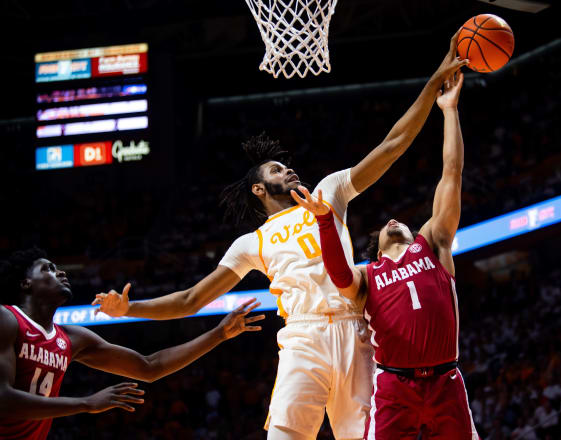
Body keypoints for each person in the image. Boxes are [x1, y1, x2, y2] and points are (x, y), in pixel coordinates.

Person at [92, 33, 468, 440]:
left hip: (356, 330)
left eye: (285, 167)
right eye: (275, 170)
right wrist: (130, 309)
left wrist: (433, 84)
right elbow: (191, 299)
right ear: (258, 189)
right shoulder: (250, 242)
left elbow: (393, 145)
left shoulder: (329, 192)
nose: (287, 171)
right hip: (303, 335)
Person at [291, 69, 479, 439]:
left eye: (401, 221)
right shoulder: (368, 275)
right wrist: (325, 220)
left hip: (446, 381)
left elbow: (452, 173)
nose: (394, 219)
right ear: (376, 246)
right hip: (395, 389)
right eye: (385, 224)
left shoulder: (434, 244)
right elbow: (340, 277)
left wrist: (450, 110)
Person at [0, 247, 264, 440]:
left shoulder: (71, 338)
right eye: (47, 268)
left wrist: (218, 335)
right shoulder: (7, 319)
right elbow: (3, 399)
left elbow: (149, 367)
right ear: (26, 283)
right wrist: (87, 403)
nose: (61, 272)